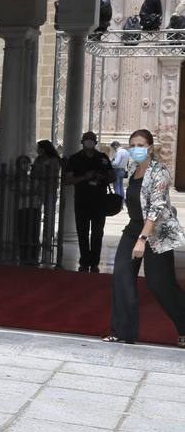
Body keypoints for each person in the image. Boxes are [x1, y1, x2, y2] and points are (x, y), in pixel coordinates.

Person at [105, 129, 185, 347]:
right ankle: (122, 331)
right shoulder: (132, 168)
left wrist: (143, 239)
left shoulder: (160, 171)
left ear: (150, 147)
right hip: (133, 227)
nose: (136, 149)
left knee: (160, 283)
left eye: (140, 145)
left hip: (157, 230)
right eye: (132, 145)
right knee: (121, 275)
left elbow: (156, 207)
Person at [63, 131, 112, 272]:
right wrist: (85, 177)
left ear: (96, 142)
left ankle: (95, 260)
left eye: (92, 139)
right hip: (82, 200)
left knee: (97, 232)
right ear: (82, 142)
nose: (89, 141)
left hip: (99, 200)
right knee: (82, 231)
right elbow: (67, 180)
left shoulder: (102, 158)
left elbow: (112, 176)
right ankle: (85, 259)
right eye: (87, 139)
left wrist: (101, 177)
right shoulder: (75, 159)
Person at [33, 139, 63, 257]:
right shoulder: (38, 159)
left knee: (49, 216)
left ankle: (47, 241)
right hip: (38, 189)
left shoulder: (54, 160)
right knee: (35, 215)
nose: (37, 150)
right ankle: (35, 239)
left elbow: (52, 173)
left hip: (49, 189)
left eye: (39, 147)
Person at [13, 154, 42, 264]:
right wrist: (32, 192)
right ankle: (24, 255)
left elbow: (38, 190)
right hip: (22, 207)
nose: (26, 165)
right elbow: (21, 192)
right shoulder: (16, 178)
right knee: (23, 231)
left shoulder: (33, 178)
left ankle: (34, 255)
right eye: (23, 163)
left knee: (34, 231)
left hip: (34, 206)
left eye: (27, 162)